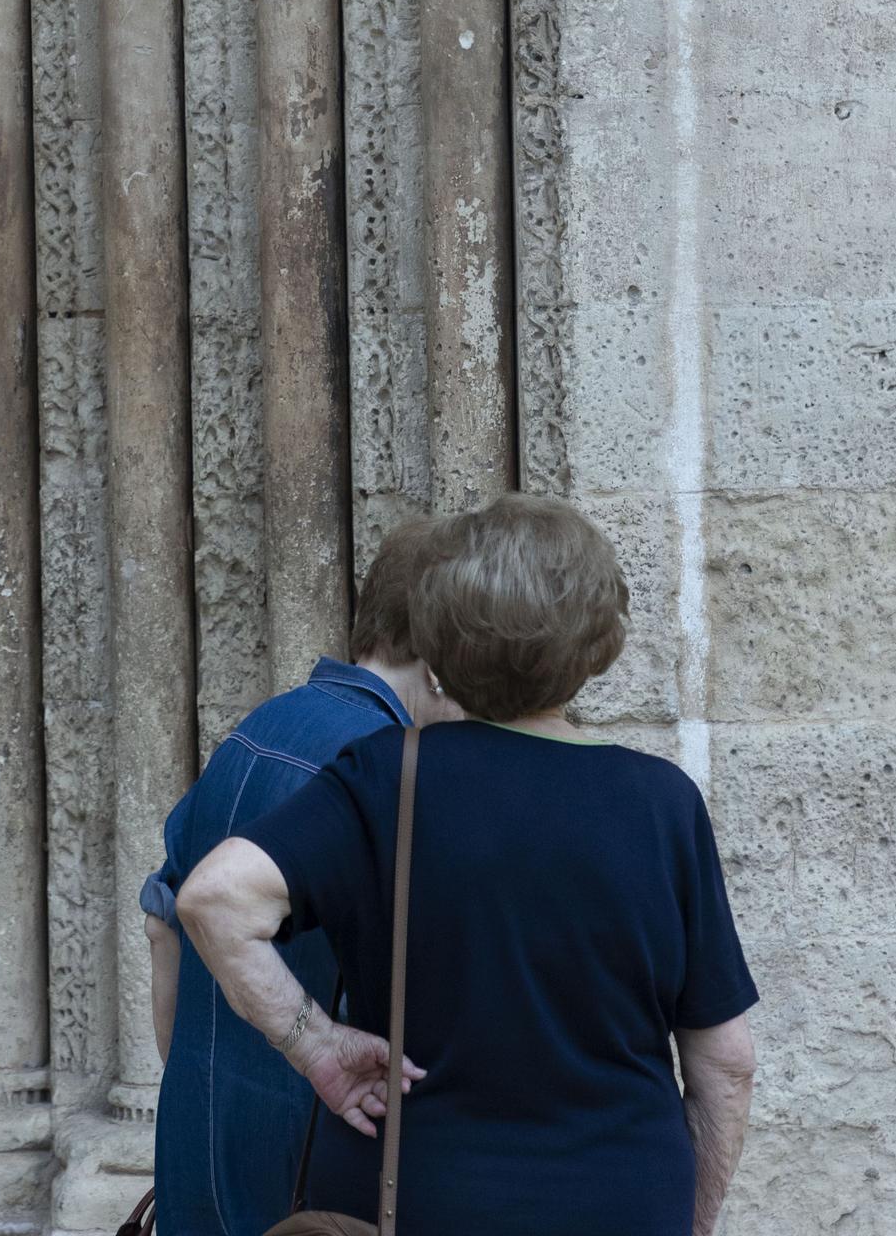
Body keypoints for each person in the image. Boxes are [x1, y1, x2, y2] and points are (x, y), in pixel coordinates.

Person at [178, 493, 758, 1236]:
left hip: (412, 1197)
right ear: (598, 643)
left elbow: (213, 900)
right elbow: (724, 1061)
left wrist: (314, 1045)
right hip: (620, 1199)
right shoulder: (661, 802)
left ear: (436, 637)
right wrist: (695, 1220)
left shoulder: (387, 775)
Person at [141, 518, 461, 1236]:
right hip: (309, 1169)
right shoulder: (387, 768)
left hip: (195, 1151)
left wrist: (209, 1094)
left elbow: (163, 925)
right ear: (443, 656)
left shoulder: (260, 725)